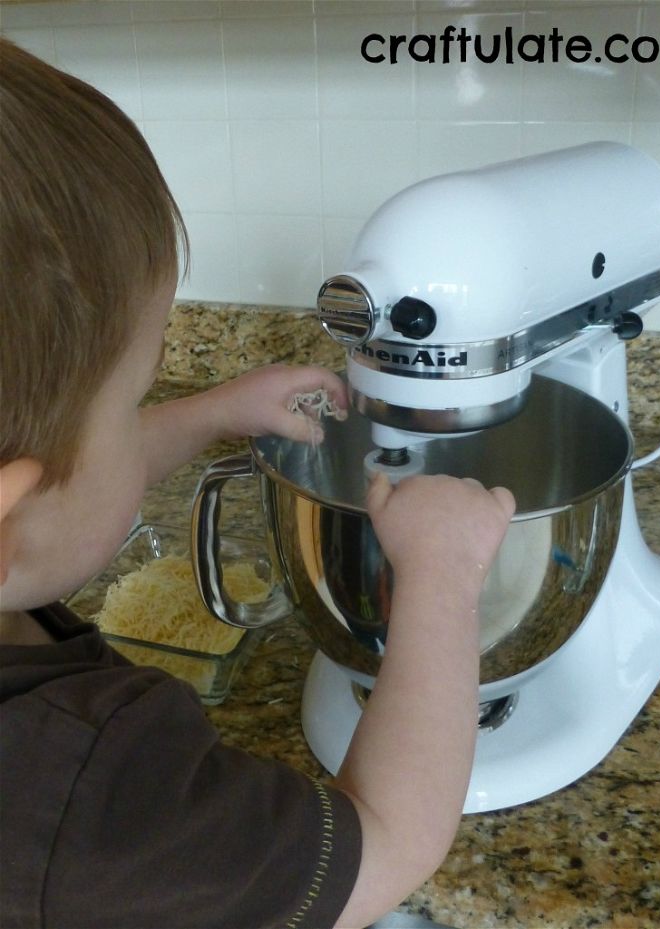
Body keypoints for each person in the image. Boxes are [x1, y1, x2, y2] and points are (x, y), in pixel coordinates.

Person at [0, 38, 515, 929]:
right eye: (134, 401)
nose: (143, 414)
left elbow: (47, 516)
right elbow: (387, 841)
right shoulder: (93, 801)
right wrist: (441, 578)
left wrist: (204, 413)